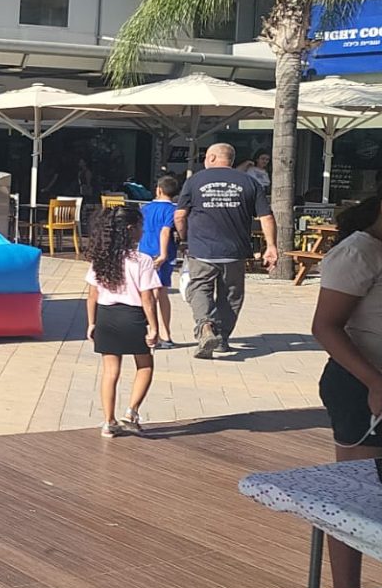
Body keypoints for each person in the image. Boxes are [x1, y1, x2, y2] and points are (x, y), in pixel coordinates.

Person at [309, 175, 382, 588]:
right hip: (364, 385)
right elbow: (325, 327)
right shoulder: (360, 252)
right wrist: (374, 381)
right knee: (358, 495)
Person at [175, 143, 279, 359]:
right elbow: (266, 216)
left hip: (202, 249)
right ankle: (221, 339)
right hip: (235, 250)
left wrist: (184, 238)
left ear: (212, 158)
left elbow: (180, 215)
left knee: (199, 288)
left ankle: (205, 326)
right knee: (231, 295)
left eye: (206, 156)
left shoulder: (195, 181)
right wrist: (271, 246)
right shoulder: (249, 182)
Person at [86, 206, 162, 437]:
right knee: (145, 365)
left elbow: (92, 295)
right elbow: (148, 298)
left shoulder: (100, 258)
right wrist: (154, 327)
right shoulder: (142, 260)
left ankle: (108, 421)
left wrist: (91, 323)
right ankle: (131, 412)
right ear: (130, 229)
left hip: (106, 316)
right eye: (140, 227)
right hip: (133, 316)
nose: (142, 231)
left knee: (110, 371)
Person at [138, 175, 180, 348]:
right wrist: (163, 254)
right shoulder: (173, 210)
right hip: (162, 254)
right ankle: (164, 333)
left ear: (158, 190)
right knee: (161, 293)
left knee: (147, 293)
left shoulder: (146, 208)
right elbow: (165, 231)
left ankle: (150, 331)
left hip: (144, 251)